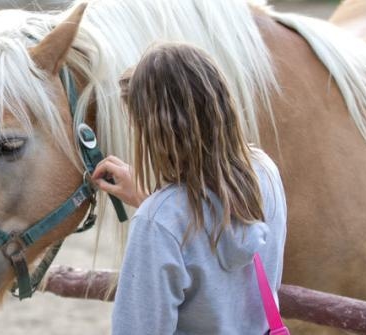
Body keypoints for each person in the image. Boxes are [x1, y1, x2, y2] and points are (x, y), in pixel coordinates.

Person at [92, 43, 287, 335]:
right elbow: (218, 232)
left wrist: (156, 208)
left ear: (153, 133)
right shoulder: (265, 173)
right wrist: (151, 198)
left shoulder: (159, 221)